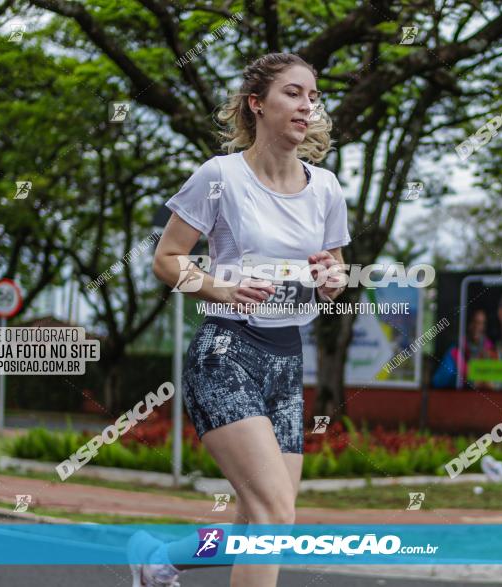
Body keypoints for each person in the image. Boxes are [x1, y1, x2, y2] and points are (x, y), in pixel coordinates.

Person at [144, 52, 351, 587]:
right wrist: (219, 285)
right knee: (274, 516)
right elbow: (166, 261)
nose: (307, 104)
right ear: (257, 104)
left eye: (313, 95)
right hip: (225, 354)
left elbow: (336, 271)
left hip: (285, 359)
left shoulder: (326, 187)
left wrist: (333, 280)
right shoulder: (220, 177)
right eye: (293, 93)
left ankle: (158, 558)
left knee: (255, 518)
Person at [431, 309, 494, 388]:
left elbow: (498, 381)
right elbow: (438, 382)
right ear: (468, 324)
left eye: (481, 323)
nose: (477, 327)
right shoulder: (454, 351)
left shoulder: (490, 350)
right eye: (474, 322)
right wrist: (461, 374)